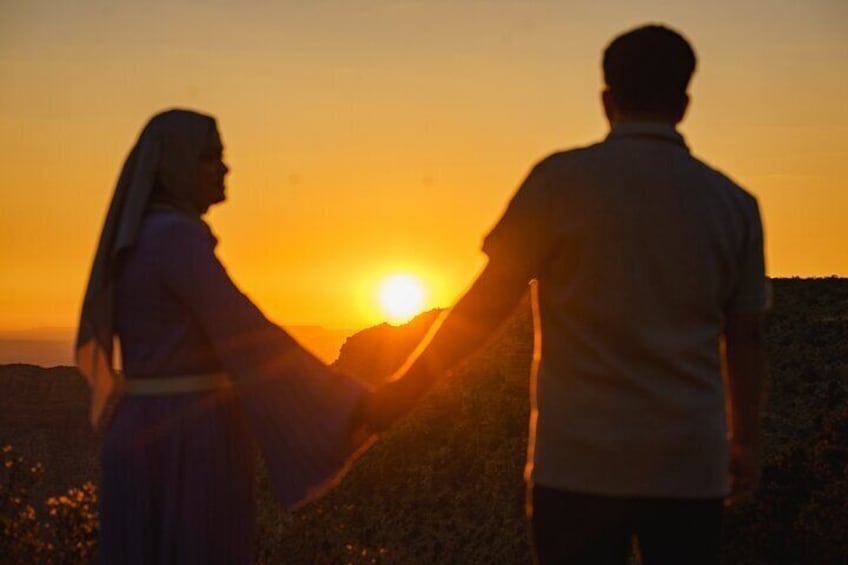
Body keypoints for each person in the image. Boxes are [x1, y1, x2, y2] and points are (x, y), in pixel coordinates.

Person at [359, 24, 769, 564]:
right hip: (688, 464)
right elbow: (746, 337)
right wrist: (746, 442)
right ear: (684, 103)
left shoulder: (557, 182)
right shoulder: (734, 204)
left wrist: (400, 391)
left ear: (607, 99)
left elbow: (484, 307)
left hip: (577, 465)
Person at [76, 109, 371, 564]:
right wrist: (350, 406)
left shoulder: (147, 235)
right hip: (186, 439)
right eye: (210, 156)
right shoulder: (174, 238)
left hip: (143, 432)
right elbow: (250, 337)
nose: (225, 168)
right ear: (174, 164)